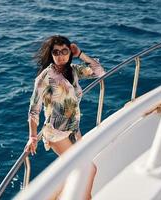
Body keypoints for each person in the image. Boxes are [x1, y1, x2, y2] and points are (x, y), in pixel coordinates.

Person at [24, 35, 105, 200]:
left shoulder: (74, 70)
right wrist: (32, 136)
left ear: (70, 52)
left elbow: (99, 71)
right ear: (51, 54)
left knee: (77, 172)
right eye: (56, 52)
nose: (60, 56)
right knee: (88, 168)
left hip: (73, 131)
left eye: (64, 51)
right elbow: (34, 109)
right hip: (56, 133)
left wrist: (80, 53)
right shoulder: (44, 78)